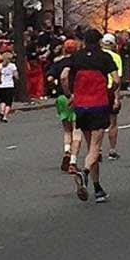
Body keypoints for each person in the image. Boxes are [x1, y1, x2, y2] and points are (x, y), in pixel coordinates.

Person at [61, 29, 119, 203]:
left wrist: (70, 94)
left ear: (84, 41)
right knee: (95, 148)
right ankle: (85, 172)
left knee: (89, 146)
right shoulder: (105, 57)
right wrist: (109, 92)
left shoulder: (76, 57)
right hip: (99, 104)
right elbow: (116, 80)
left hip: (81, 105)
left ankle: (97, 187)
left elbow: (64, 76)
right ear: (100, 41)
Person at [48, 39, 80, 174]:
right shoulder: (78, 62)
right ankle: (73, 160)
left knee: (67, 129)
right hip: (75, 96)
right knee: (76, 129)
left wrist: (54, 87)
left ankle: (67, 150)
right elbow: (64, 76)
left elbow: (49, 78)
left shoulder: (58, 62)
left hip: (61, 98)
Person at [102, 33, 123, 160]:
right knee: (113, 122)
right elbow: (117, 79)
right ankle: (112, 149)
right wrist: (116, 97)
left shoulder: (97, 56)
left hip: (98, 91)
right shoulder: (116, 57)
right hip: (110, 90)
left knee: (97, 122)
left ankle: (97, 149)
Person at [0, 52, 18, 123]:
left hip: (1, 85)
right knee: (8, 102)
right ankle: (5, 116)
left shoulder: (0, 66)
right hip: (9, 85)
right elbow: (16, 76)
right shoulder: (12, 66)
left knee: (2, 100)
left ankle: (2, 111)